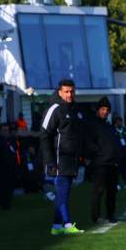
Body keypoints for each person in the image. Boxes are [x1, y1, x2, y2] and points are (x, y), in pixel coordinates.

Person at [40, 79, 86, 235]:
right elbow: (44, 135)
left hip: (72, 161)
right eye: (66, 91)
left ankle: (56, 226)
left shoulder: (76, 111)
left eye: (72, 91)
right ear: (59, 92)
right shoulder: (54, 109)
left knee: (62, 194)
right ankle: (67, 225)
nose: (69, 94)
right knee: (63, 193)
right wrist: (50, 161)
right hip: (59, 160)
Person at [87, 97, 121, 224]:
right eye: (102, 109)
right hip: (100, 164)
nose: (105, 112)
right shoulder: (92, 125)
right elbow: (89, 143)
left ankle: (110, 215)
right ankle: (95, 217)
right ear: (98, 110)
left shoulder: (109, 127)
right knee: (98, 191)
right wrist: (98, 155)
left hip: (113, 163)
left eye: (107, 109)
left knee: (112, 192)